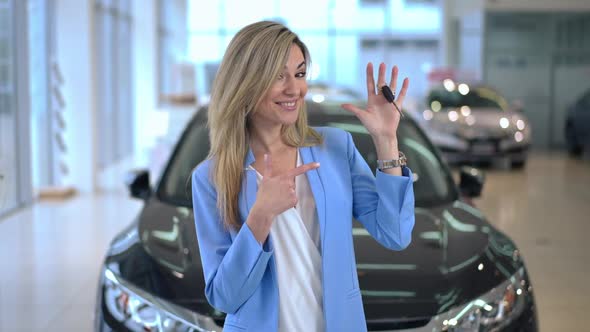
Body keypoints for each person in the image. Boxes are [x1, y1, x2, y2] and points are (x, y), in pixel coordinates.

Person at [191, 20, 415, 332]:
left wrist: (386, 140)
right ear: (245, 82)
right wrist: (260, 217)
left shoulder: (335, 148)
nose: (294, 89)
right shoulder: (211, 178)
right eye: (277, 76)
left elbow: (395, 234)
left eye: (299, 73)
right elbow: (224, 298)